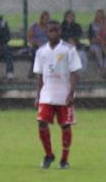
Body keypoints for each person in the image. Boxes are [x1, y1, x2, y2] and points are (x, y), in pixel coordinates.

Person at [34, 20, 82, 170]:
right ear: (46, 32)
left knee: (65, 126)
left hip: (63, 94)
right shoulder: (41, 51)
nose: (53, 32)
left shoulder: (69, 49)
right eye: (51, 30)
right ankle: (49, 155)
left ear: (60, 31)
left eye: (56, 29)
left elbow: (74, 73)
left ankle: (64, 160)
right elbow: (39, 75)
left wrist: (71, 93)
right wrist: (38, 96)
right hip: (47, 94)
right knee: (42, 122)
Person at [88, 9, 106, 75]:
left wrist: (104, 43)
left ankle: (104, 68)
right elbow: (90, 39)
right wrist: (100, 42)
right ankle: (102, 68)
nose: (100, 17)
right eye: (98, 15)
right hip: (95, 44)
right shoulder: (92, 25)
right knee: (98, 51)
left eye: (101, 15)